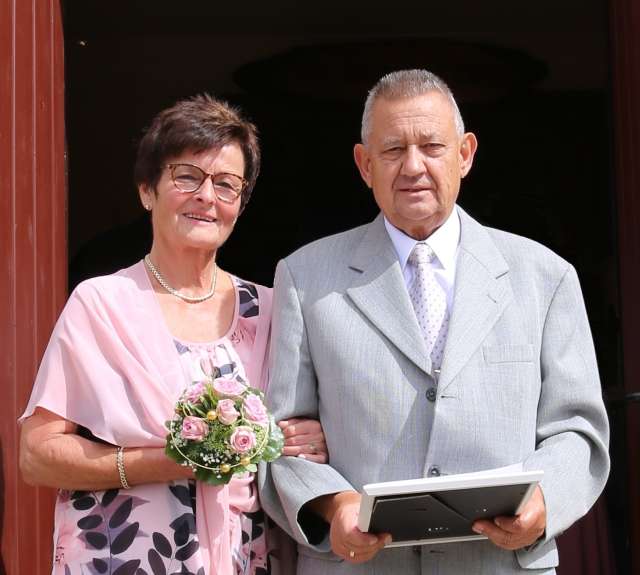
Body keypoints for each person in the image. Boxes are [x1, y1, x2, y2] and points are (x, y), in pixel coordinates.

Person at [259, 69, 610, 574]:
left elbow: (577, 428)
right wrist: (331, 505)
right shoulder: (305, 277)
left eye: (432, 146)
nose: (414, 166)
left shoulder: (544, 277)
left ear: (465, 153)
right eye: (393, 150)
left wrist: (545, 498)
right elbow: (283, 435)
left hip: (500, 563)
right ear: (364, 164)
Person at [19, 94, 326, 575]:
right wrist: (165, 461)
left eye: (227, 185)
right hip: (124, 555)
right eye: (187, 177)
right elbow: (37, 456)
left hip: (247, 557)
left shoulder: (272, 310)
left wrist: (307, 436)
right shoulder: (102, 304)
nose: (207, 197)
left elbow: (303, 432)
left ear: (240, 205)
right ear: (147, 190)